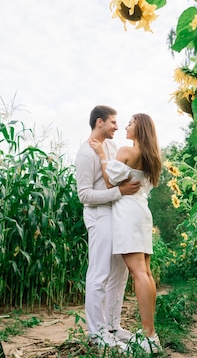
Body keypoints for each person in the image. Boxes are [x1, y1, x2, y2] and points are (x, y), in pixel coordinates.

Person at [89, 113, 163, 354]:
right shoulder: (152, 157)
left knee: (138, 272)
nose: (125, 127)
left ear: (139, 127)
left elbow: (110, 182)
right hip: (142, 212)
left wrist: (101, 155)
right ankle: (150, 334)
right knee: (146, 273)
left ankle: (149, 335)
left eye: (130, 123)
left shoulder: (127, 152)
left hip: (128, 214)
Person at [74, 105, 140, 349]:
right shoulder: (85, 153)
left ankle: (113, 326)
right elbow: (84, 195)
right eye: (113, 122)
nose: (116, 126)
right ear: (99, 122)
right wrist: (118, 192)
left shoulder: (111, 147)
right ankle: (97, 333)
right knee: (99, 274)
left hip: (117, 217)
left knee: (119, 273)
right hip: (100, 218)